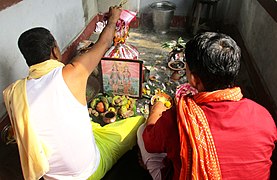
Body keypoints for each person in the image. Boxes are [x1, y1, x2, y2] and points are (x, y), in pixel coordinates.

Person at [3, 6, 144, 180]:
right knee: (139, 122)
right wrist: (114, 19)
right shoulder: (72, 72)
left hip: (50, 176)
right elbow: (104, 43)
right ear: (55, 51)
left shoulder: (14, 93)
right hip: (88, 173)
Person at [137, 32, 277, 180]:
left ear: (193, 79)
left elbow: (149, 142)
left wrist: (158, 106)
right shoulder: (263, 115)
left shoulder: (177, 118)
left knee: (142, 132)